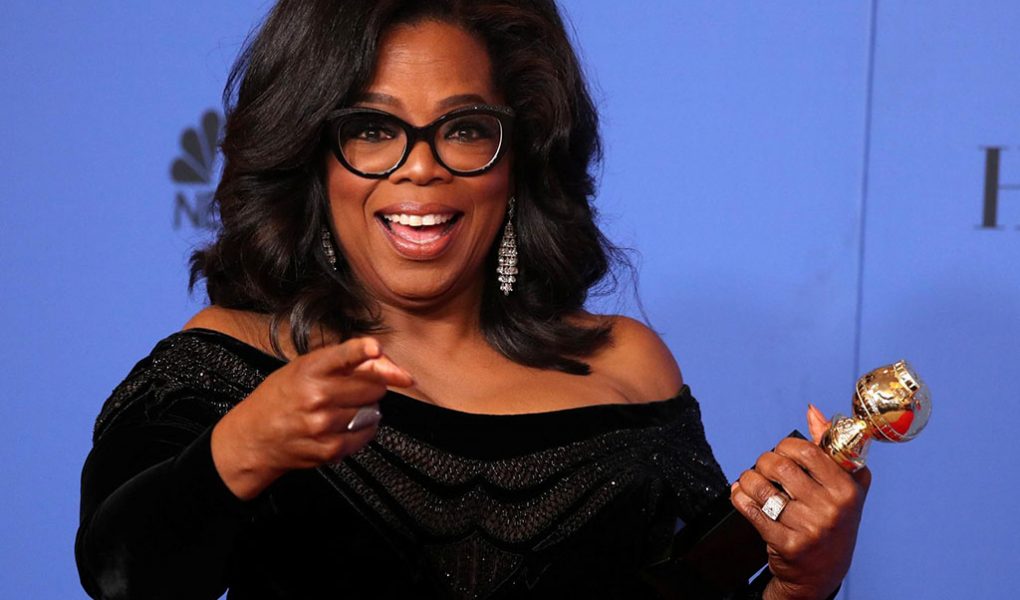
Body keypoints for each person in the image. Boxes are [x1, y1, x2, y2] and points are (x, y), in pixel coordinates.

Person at [75, 1, 869, 598]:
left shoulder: (626, 369)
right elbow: (122, 577)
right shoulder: (231, 362)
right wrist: (251, 443)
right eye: (372, 129)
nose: (421, 168)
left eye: (463, 129)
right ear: (313, 159)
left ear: (518, 158)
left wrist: (805, 580)